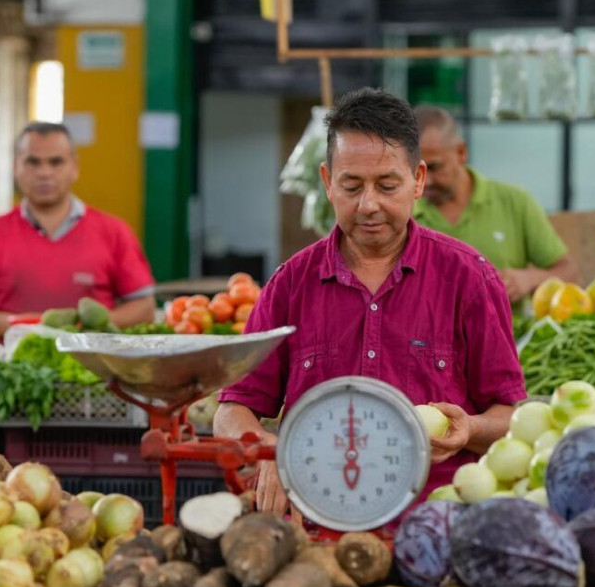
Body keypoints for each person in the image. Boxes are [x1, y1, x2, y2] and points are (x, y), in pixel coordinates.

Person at [214, 88, 527, 515]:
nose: (369, 205)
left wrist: (469, 427)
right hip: (315, 529)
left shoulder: (468, 277)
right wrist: (271, 452)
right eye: (351, 185)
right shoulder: (290, 285)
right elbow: (233, 410)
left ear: (417, 180)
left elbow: (511, 413)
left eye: (387, 185)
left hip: (433, 522)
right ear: (327, 182)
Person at [0, 122, 156, 335]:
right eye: (33, 162)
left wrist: (82, 329)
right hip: (14, 363)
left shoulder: (114, 232)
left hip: (93, 365)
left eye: (55, 162)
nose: (44, 172)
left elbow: (144, 308)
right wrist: (22, 327)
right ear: (16, 167)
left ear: (75, 167)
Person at [413, 106, 578, 303]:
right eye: (416, 171)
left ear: (461, 152)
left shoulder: (514, 202)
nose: (426, 181)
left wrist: (529, 279)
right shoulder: (403, 213)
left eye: (434, 167)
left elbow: (570, 273)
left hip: (512, 332)